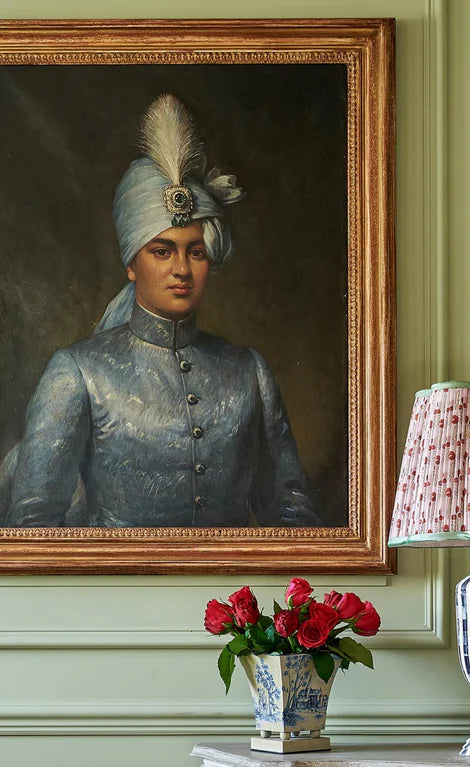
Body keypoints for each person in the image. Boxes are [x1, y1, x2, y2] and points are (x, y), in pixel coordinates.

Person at [4, 94, 321, 528]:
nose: (181, 270)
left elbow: (292, 511)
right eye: (162, 251)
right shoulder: (78, 372)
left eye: (195, 251)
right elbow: (33, 525)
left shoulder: (249, 372)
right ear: (132, 264)